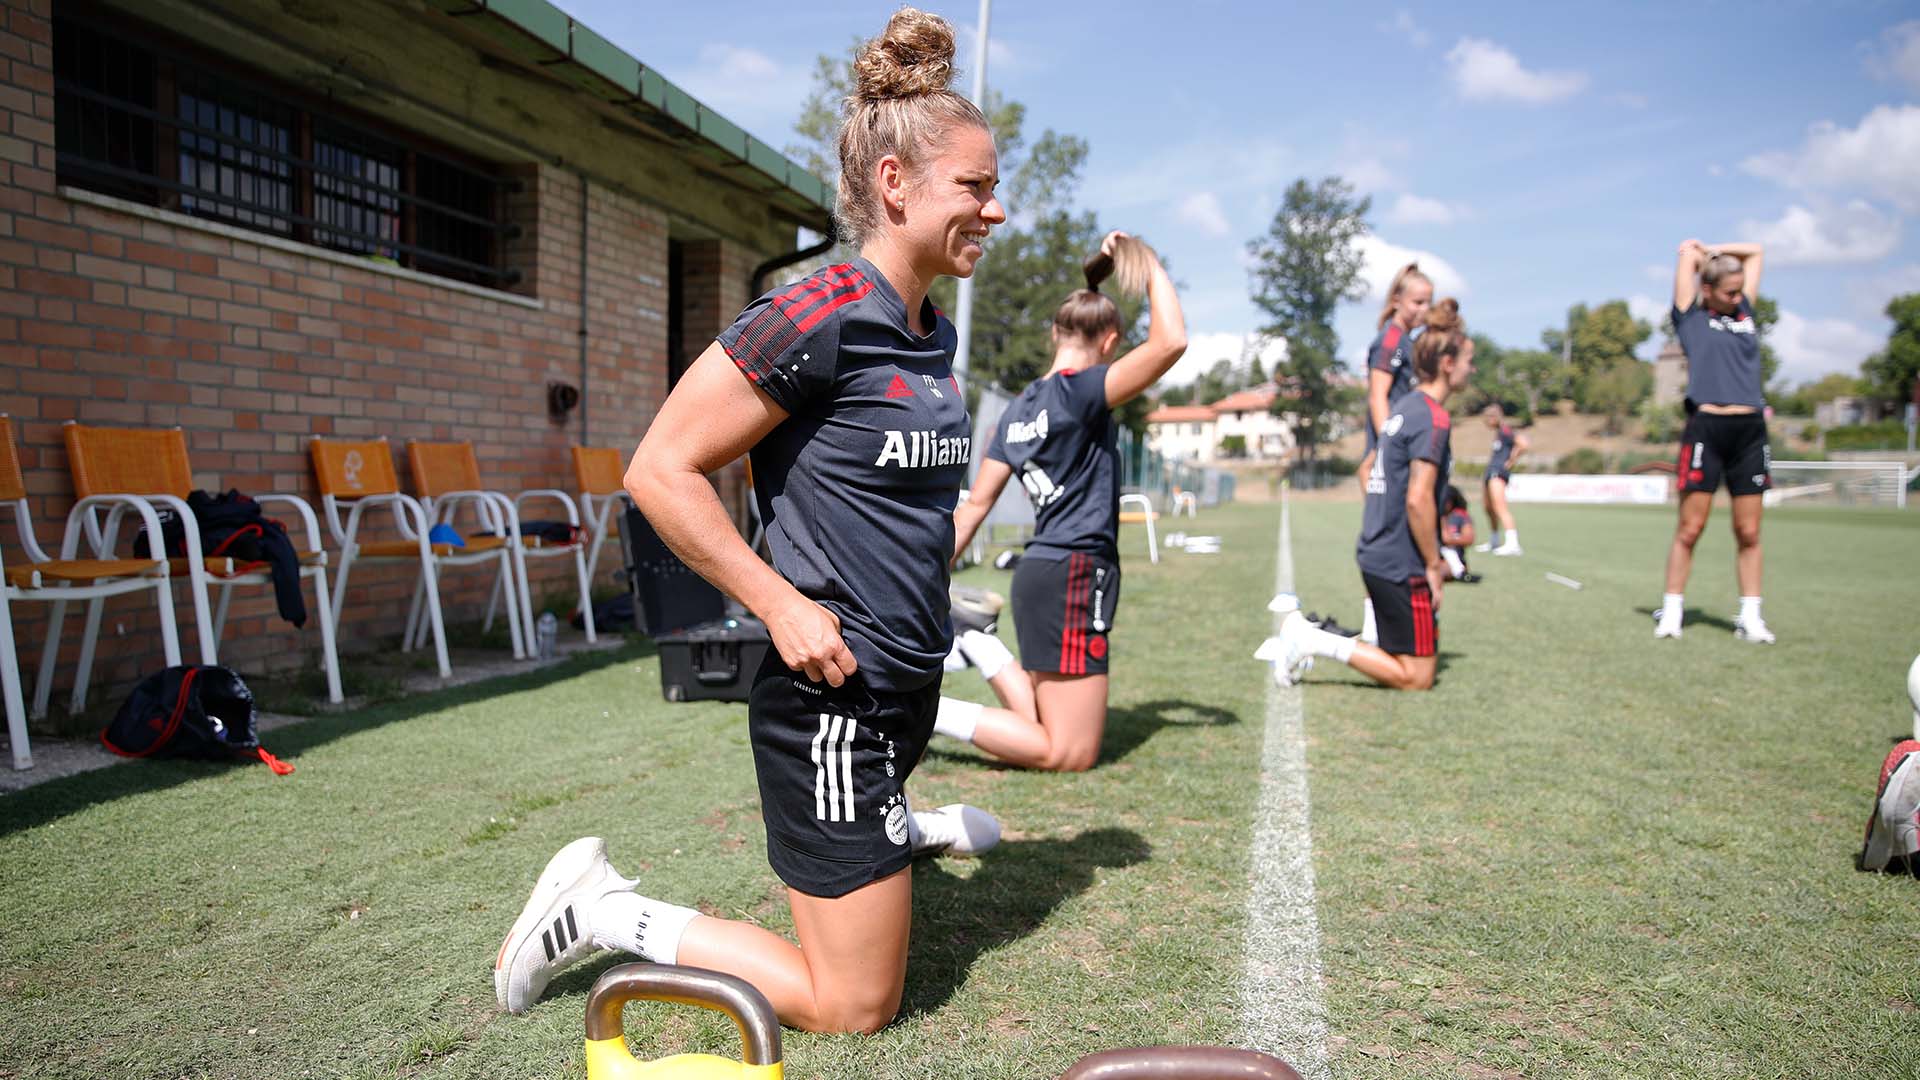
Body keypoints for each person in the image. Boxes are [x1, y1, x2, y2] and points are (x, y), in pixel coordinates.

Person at [493, 10, 1005, 1033]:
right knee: (855, 1004)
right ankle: (606, 909)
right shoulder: (815, 314)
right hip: (832, 700)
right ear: (897, 185)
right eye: (976, 188)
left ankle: (895, 825)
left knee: (866, 917)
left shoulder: (927, 331)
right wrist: (778, 603)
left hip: (905, 688)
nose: (995, 211)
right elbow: (660, 469)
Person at [939, 231, 1186, 771]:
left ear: (1055, 333)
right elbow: (1170, 343)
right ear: (1110, 342)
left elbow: (974, 507)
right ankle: (928, 712)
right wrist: (1149, 266)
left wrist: (927, 579)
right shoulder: (1083, 390)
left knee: (1047, 726)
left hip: (1040, 575)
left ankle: (978, 644)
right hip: (1074, 573)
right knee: (1067, 752)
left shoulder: (1019, 407)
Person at [1270, 300, 1474, 691]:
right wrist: (1434, 564)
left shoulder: (1404, 408)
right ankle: (1310, 638)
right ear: (1448, 363)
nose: (1472, 368)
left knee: (1403, 654)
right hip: (1401, 563)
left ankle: (1323, 637)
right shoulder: (1433, 417)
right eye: (1468, 359)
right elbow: (1417, 498)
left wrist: (1383, 517)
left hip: (1378, 551)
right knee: (1417, 677)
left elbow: (1368, 468)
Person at [1654, 239, 1772, 643]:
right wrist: (1702, 257)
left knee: (1749, 532)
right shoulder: (1690, 318)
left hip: (1750, 431)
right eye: (1729, 291)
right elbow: (1685, 251)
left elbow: (1756, 251)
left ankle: (1750, 617)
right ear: (1707, 290)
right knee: (1690, 528)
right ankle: (1672, 610)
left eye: (1740, 290)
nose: (1738, 297)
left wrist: (1720, 251)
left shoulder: (1745, 311)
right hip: (1707, 427)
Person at [1357, 263, 1433, 644]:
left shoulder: (1408, 342)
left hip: (1392, 455)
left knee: (1391, 542)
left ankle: (1381, 627)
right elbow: (1377, 395)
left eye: (1428, 302)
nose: (1424, 309)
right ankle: (1376, 627)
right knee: (1385, 543)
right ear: (1397, 300)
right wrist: (1387, 449)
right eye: (1418, 301)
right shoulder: (1390, 340)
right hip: (1388, 457)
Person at [1477, 404, 1527, 556]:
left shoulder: (1506, 430)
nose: (1486, 423)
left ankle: (1513, 544)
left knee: (1500, 507)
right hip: (1490, 471)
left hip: (1498, 472)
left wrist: (1511, 461)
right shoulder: (1499, 433)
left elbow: (1523, 444)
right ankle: (1494, 540)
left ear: (1494, 417)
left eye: (1487, 419)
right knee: (1488, 507)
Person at [1440, 485, 1480, 584]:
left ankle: (1459, 570)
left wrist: (1450, 539)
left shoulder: (1460, 516)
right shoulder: (1432, 514)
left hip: (1452, 559)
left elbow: (1469, 539)